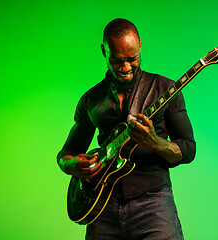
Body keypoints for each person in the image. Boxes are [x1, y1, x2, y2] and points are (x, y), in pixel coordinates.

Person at [57, 18, 196, 240]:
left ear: (140, 45)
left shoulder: (165, 89)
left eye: (133, 59)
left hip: (154, 202)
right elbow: (67, 152)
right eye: (117, 61)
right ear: (104, 51)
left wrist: (155, 143)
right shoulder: (91, 99)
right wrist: (70, 164)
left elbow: (188, 149)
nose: (126, 67)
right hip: (102, 206)